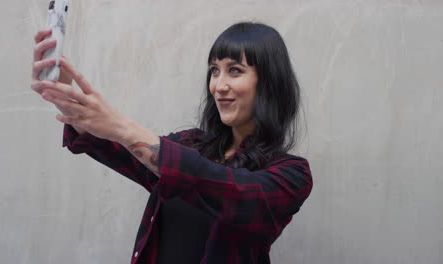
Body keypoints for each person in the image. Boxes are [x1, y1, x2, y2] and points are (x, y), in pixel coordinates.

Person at [31, 21, 313, 264]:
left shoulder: (290, 174)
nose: (219, 85)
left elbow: (232, 193)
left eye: (235, 70)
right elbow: (120, 150)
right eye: (214, 71)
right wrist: (66, 99)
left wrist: (123, 126)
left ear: (268, 83)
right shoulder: (192, 143)